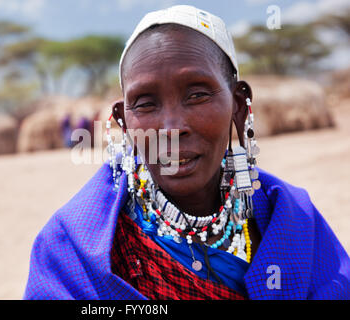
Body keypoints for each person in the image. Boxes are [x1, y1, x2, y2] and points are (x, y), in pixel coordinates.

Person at [24, 5, 350, 300]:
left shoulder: (293, 222)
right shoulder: (71, 248)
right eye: (146, 103)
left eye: (196, 95)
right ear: (124, 123)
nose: (170, 127)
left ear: (238, 106)